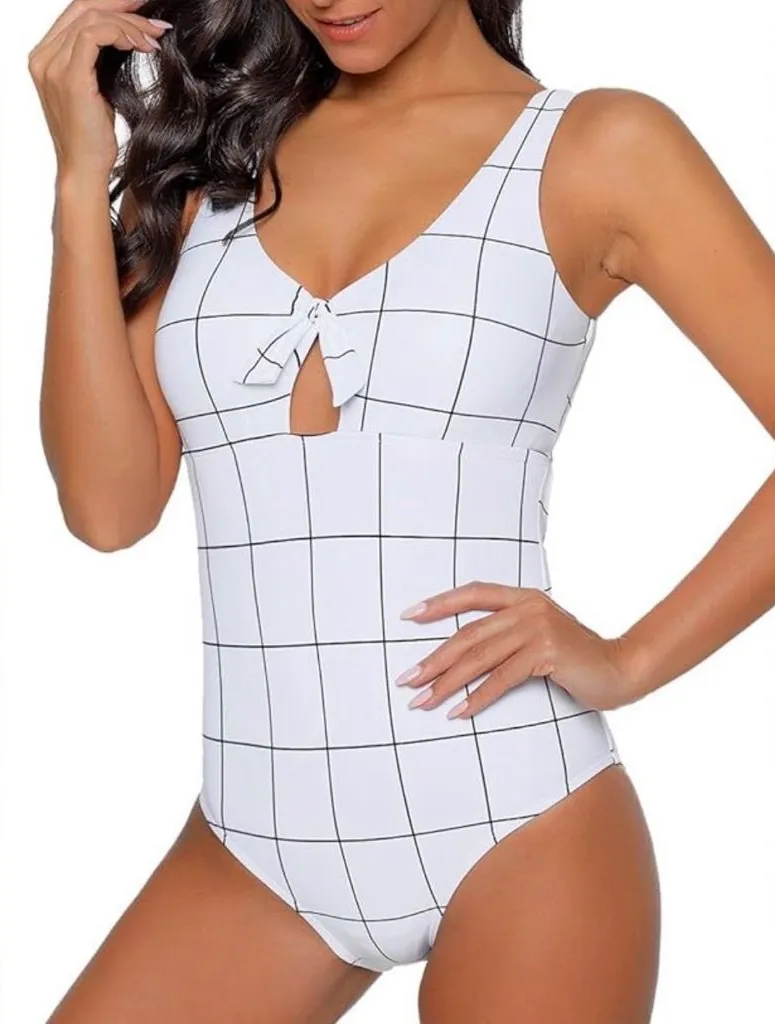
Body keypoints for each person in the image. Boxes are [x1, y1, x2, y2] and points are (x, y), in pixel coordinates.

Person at [28, 0, 775, 1020]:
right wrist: (81, 179)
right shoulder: (216, 168)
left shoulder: (599, 147)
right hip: (254, 843)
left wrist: (631, 659)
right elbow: (107, 508)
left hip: (519, 821)